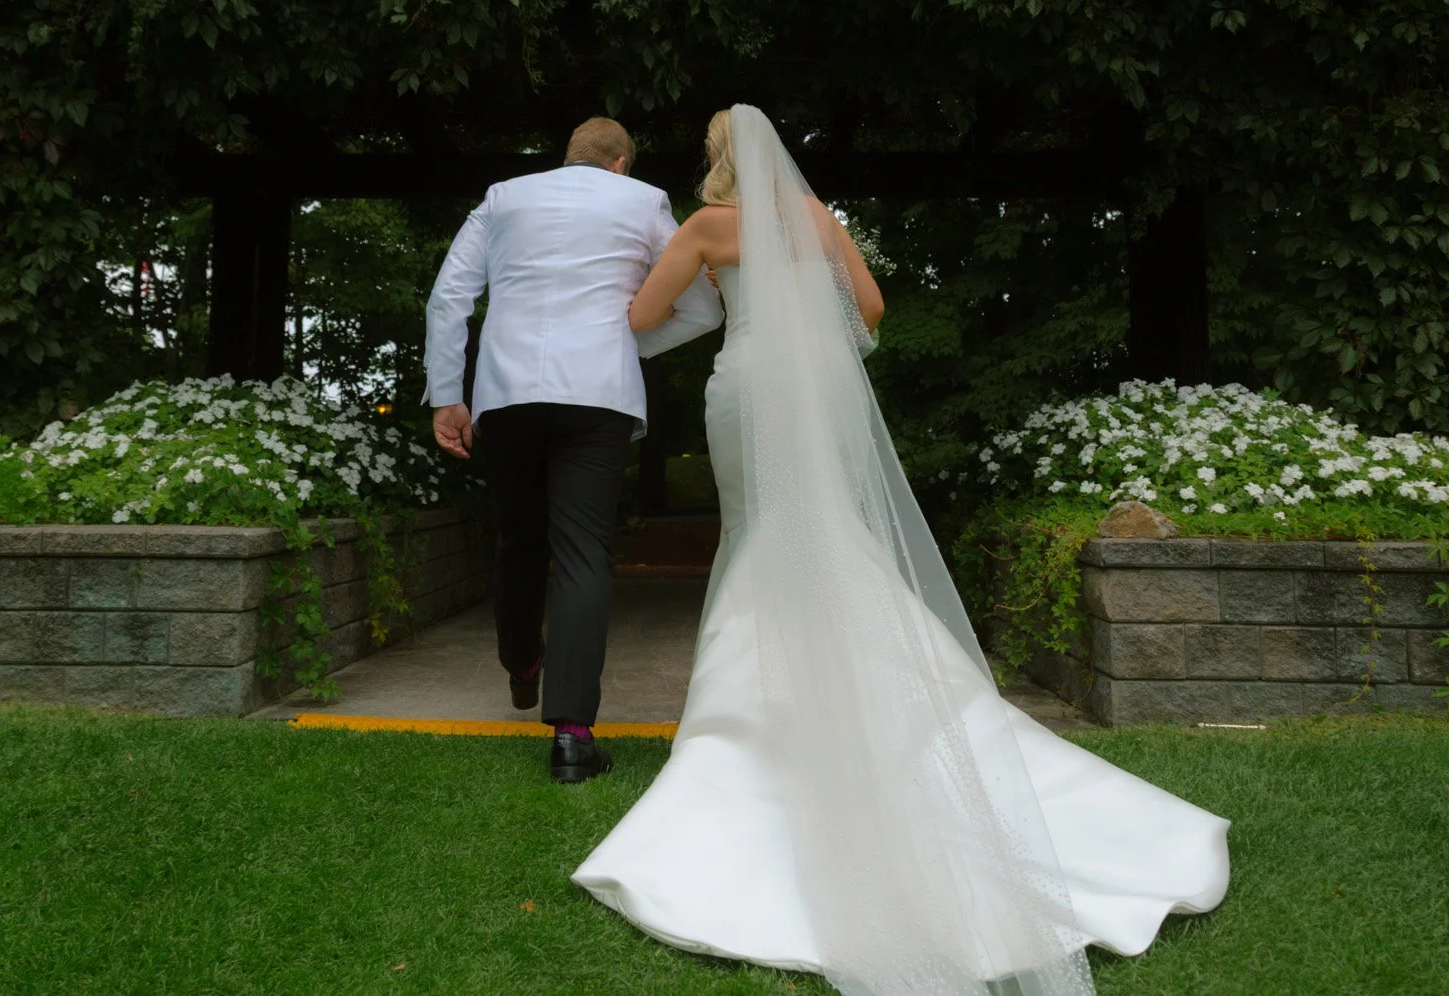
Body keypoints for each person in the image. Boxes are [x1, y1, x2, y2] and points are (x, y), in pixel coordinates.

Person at [573, 106, 1230, 995]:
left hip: (748, 388)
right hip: (820, 392)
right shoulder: (817, 218)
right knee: (829, 528)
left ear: (715, 157)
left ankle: (757, 725)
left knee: (759, 534)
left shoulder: (707, 228)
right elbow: (872, 309)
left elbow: (644, 314)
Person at [423, 117, 722, 783]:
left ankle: (522, 661)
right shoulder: (644, 201)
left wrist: (447, 395)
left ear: (568, 158)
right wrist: (627, 344)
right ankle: (572, 737)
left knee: (519, 536)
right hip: (598, 393)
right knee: (585, 551)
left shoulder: (502, 197)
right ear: (620, 164)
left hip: (506, 392)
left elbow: (450, 298)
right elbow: (703, 308)